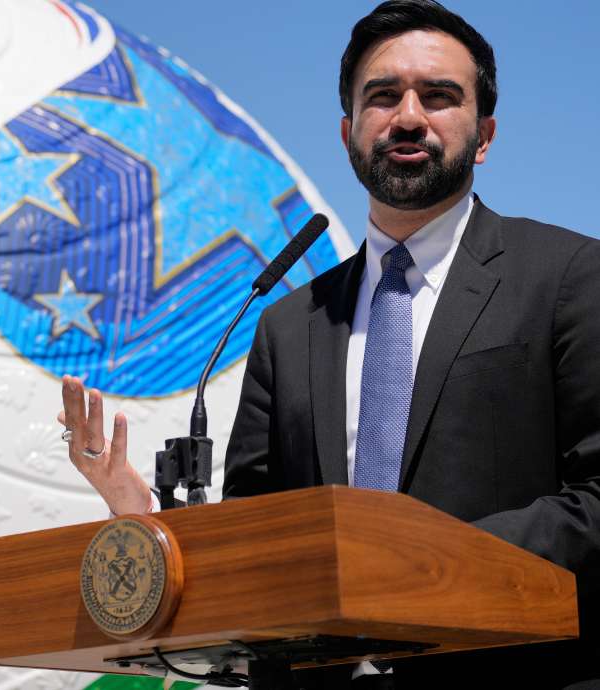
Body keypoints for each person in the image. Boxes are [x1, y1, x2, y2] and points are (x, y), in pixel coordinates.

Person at [58, 1, 600, 688]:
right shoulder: (287, 324)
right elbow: (260, 539)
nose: (407, 116)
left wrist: (409, 566)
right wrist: (154, 525)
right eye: (382, 97)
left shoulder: (570, 277)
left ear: (484, 133)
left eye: (438, 97)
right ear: (348, 133)